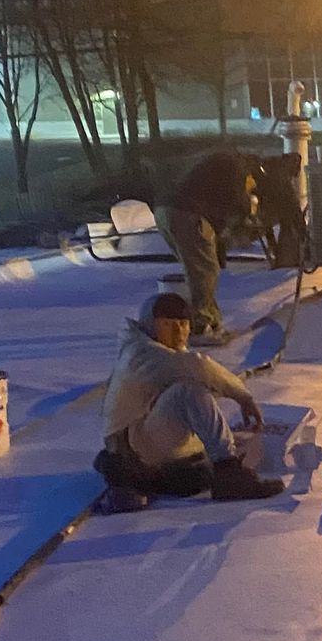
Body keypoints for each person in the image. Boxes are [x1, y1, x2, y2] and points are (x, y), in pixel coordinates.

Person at [94, 290, 285, 508]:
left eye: (183, 324)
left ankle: (221, 462)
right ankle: (228, 472)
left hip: (143, 437)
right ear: (150, 324)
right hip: (134, 447)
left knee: (193, 396)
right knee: (188, 392)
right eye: (167, 324)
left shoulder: (148, 348)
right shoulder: (144, 353)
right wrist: (244, 398)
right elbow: (199, 367)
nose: (178, 331)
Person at [159, 149, 261, 344]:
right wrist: (247, 214)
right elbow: (239, 201)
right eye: (252, 184)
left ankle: (211, 321)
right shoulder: (237, 169)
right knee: (204, 271)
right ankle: (200, 327)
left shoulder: (220, 164)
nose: (251, 188)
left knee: (201, 269)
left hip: (165, 210)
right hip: (186, 213)